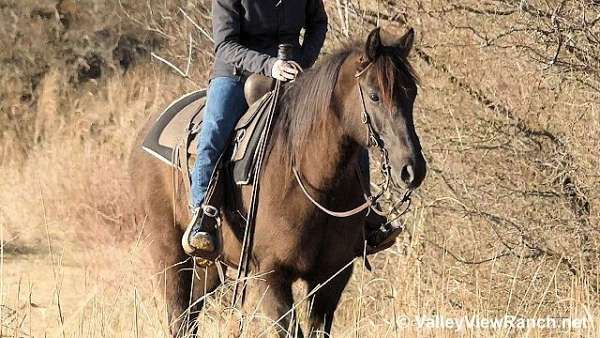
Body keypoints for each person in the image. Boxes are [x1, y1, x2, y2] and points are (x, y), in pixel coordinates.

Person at [183, 0, 402, 258]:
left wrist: (303, 60)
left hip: (293, 71)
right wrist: (270, 65)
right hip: (236, 73)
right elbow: (225, 44)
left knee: (350, 123)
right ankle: (203, 215)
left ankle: (366, 214)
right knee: (215, 131)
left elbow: (318, 23)